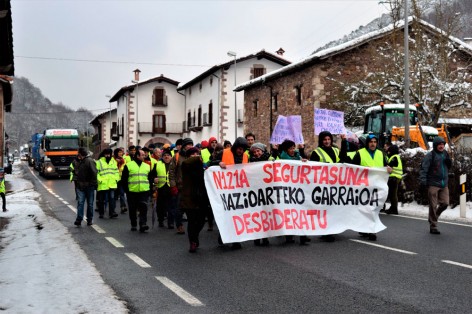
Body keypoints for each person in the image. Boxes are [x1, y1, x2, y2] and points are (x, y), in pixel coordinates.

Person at [350, 133, 391, 241]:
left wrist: (388, 169)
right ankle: (365, 228)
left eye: (374, 142)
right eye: (371, 142)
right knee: (365, 208)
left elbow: (385, 166)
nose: (373, 144)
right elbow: (353, 168)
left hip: (376, 186)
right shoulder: (360, 153)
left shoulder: (381, 154)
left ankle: (372, 230)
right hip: (363, 186)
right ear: (367, 143)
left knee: (373, 208)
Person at [310, 131, 347, 242]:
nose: (327, 142)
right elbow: (312, 169)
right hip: (323, 186)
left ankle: (331, 229)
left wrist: (344, 141)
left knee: (334, 208)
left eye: (328, 139)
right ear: (321, 141)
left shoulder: (336, 150)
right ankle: (326, 231)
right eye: (324, 140)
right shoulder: (316, 152)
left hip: (335, 185)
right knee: (326, 209)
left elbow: (343, 159)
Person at [214, 137, 249, 250]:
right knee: (226, 215)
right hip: (225, 190)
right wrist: (219, 163)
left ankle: (236, 240)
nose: (241, 151)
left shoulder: (245, 156)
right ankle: (223, 235)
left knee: (238, 215)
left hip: (239, 190)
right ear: (235, 147)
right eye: (239, 149)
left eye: (243, 149)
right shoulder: (223, 153)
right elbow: (211, 163)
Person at [278, 139, 309, 245]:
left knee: (300, 212)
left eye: (293, 147)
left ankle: (303, 236)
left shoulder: (297, 155)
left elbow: (303, 163)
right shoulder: (282, 157)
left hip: (298, 189)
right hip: (287, 190)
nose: (293, 150)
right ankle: (289, 236)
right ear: (286, 149)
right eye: (291, 148)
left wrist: (303, 160)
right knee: (289, 213)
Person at [419, 136, 452, 235]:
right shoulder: (430, 155)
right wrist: (423, 181)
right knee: (433, 205)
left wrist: (450, 163)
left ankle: (434, 217)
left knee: (445, 203)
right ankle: (433, 226)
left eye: (443, 144)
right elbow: (424, 169)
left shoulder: (446, 154)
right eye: (439, 144)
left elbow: (447, 167)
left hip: (444, 183)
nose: (441, 146)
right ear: (435, 145)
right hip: (433, 183)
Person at [180, 147, 209, 252]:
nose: (195, 155)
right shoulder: (185, 165)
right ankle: (192, 242)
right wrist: (197, 158)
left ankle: (195, 237)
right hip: (190, 198)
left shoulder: (202, 167)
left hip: (201, 197)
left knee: (201, 220)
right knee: (192, 221)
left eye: (197, 153)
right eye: (193, 154)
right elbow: (187, 162)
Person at [121, 148, 153, 232]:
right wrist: (127, 190)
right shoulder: (128, 165)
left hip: (144, 191)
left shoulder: (147, 166)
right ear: (137, 156)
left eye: (144, 155)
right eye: (142, 155)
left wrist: (150, 190)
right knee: (132, 209)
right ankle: (134, 224)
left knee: (143, 208)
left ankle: (143, 224)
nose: (144, 156)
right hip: (132, 192)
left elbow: (150, 179)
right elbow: (124, 179)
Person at [169, 137, 194, 234]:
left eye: (191, 144)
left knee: (191, 208)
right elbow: (171, 172)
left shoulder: (194, 155)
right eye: (188, 144)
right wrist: (173, 185)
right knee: (179, 208)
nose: (190, 146)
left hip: (191, 187)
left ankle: (191, 226)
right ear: (184, 146)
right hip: (180, 187)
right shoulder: (176, 157)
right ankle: (179, 225)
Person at [249, 142, 271, 246]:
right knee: (257, 215)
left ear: (262, 151)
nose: (257, 153)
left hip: (267, 191)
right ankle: (257, 236)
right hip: (256, 191)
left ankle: (265, 236)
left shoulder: (270, 159)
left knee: (266, 214)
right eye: (255, 152)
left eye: (258, 151)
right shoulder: (251, 162)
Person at [71, 147, 97, 226]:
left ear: (81, 153)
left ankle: (89, 219)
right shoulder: (77, 161)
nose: (77, 154)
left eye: (78, 152)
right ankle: (79, 219)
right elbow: (75, 171)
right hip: (80, 186)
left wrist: (92, 184)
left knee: (89, 203)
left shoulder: (89, 161)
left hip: (89, 186)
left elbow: (94, 172)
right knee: (81, 203)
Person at [152, 149, 174, 228]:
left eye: (168, 155)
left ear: (171, 157)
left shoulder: (174, 164)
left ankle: (170, 222)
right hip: (161, 188)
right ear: (162, 157)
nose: (166, 157)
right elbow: (151, 175)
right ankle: (160, 220)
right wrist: (154, 179)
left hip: (171, 187)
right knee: (160, 206)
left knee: (171, 206)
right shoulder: (157, 164)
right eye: (165, 155)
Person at [96, 148, 120, 219]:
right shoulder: (99, 162)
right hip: (103, 184)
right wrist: (100, 180)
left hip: (112, 184)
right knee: (101, 200)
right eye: (106, 154)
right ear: (104, 154)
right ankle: (101, 213)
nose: (107, 155)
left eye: (109, 154)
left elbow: (116, 172)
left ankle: (112, 213)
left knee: (112, 199)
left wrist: (116, 179)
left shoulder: (113, 162)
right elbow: (96, 173)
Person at [385, 144, 402, 215]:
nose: (388, 152)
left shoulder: (394, 157)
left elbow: (388, 166)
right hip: (396, 177)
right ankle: (393, 208)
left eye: (389, 151)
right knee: (393, 193)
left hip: (393, 178)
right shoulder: (396, 157)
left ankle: (394, 208)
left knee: (393, 194)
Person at [113, 148, 128, 214]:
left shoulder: (123, 160)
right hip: (114, 179)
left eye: (121, 152)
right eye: (119, 152)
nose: (120, 153)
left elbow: (124, 168)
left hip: (121, 179)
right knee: (114, 195)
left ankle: (123, 206)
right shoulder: (113, 160)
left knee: (122, 193)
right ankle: (112, 209)